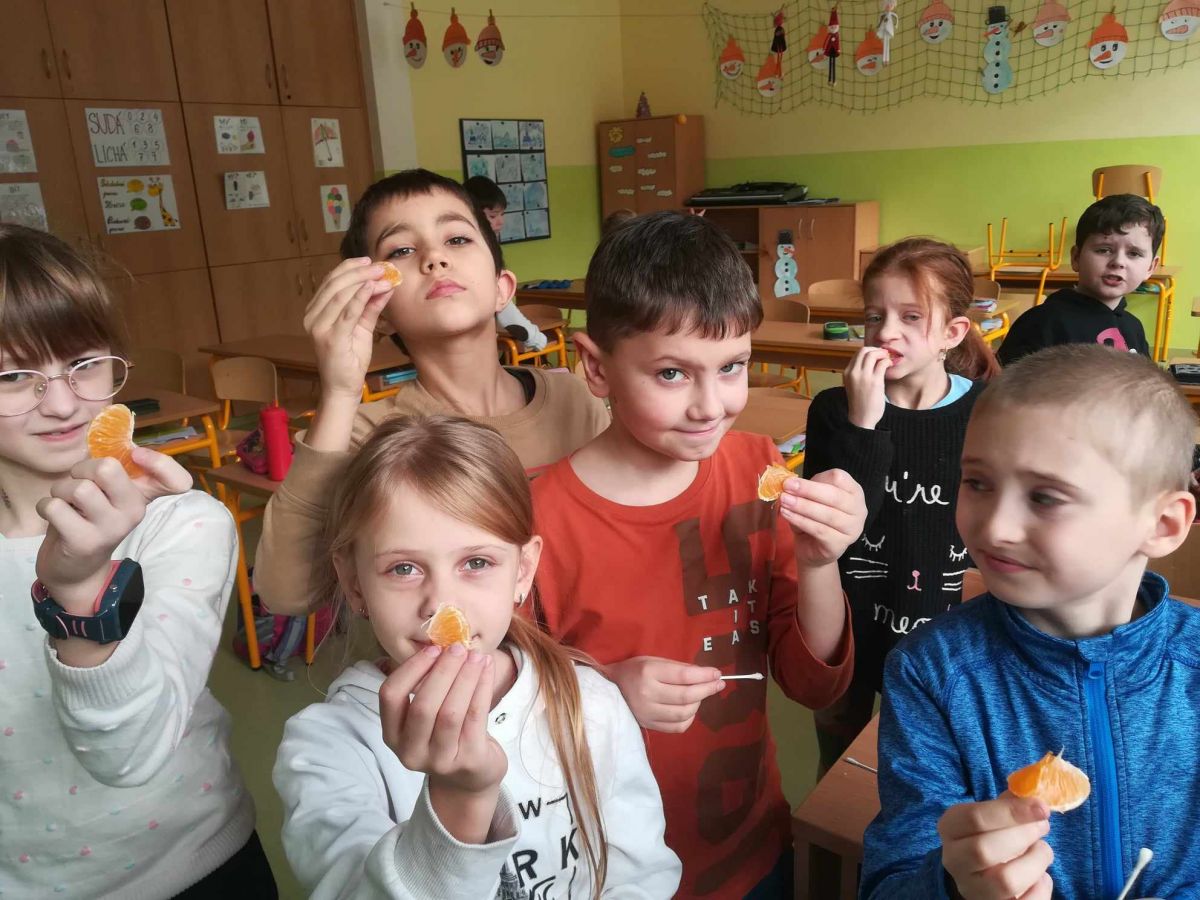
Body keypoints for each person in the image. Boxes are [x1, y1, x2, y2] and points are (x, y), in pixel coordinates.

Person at [530, 210, 865, 899]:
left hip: (752, 844)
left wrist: (819, 562)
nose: (711, 406)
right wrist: (606, 690)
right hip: (606, 871)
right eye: (672, 373)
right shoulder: (535, 520)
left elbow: (812, 685)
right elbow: (507, 710)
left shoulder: (756, 467)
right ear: (596, 366)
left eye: (732, 366)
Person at [273, 415, 681, 899]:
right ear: (354, 582)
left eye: (476, 562)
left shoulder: (590, 702)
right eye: (403, 569)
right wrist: (458, 801)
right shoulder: (327, 747)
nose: (442, 605)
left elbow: (641, 874)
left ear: (522, 571)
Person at [861, 345, 1199, 900]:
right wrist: (955, 884)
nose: (995, 527)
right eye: (977, 483)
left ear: (1162, 524)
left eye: (1045, 497)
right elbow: (889, 883)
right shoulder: (932, 673)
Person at [0, 224, 275, 896]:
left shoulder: (181, 524)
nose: (63, 403)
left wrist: (81, 594)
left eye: (85, 363)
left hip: (197, 864)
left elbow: (129, 755)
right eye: (12, 375)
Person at [253, 169, 608, 616]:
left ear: (503, 289)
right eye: (401, 250)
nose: (434, 258)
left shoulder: (574, 400)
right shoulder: (368, 434)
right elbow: (286, 592)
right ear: (378, 308)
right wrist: (340, 392)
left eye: (457, 239)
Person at [803, 237, 999, 774]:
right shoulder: (834, 411)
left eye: (911, 317)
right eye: (875, 316)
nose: (886, 332)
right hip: (852, 616)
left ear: (951, 334)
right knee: (837, 761)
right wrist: (863, 424)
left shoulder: (987, 412)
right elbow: (835, 526)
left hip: (943, 626)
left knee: (922, 760)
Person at [997, 194, 1163, 365]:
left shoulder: (1133, 328)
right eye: (1104, 250)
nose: (1118, 262)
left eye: (1134, 253)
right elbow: (1006, 381)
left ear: (1151, 267)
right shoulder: (1042, 323)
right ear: (1076, 257)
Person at [463, 174, 549, 353]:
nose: (501, 221)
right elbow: (502, 305)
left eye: (502, 214)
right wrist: (536, 338)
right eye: (493, 216)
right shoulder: (478, 252)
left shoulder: (485, 245)